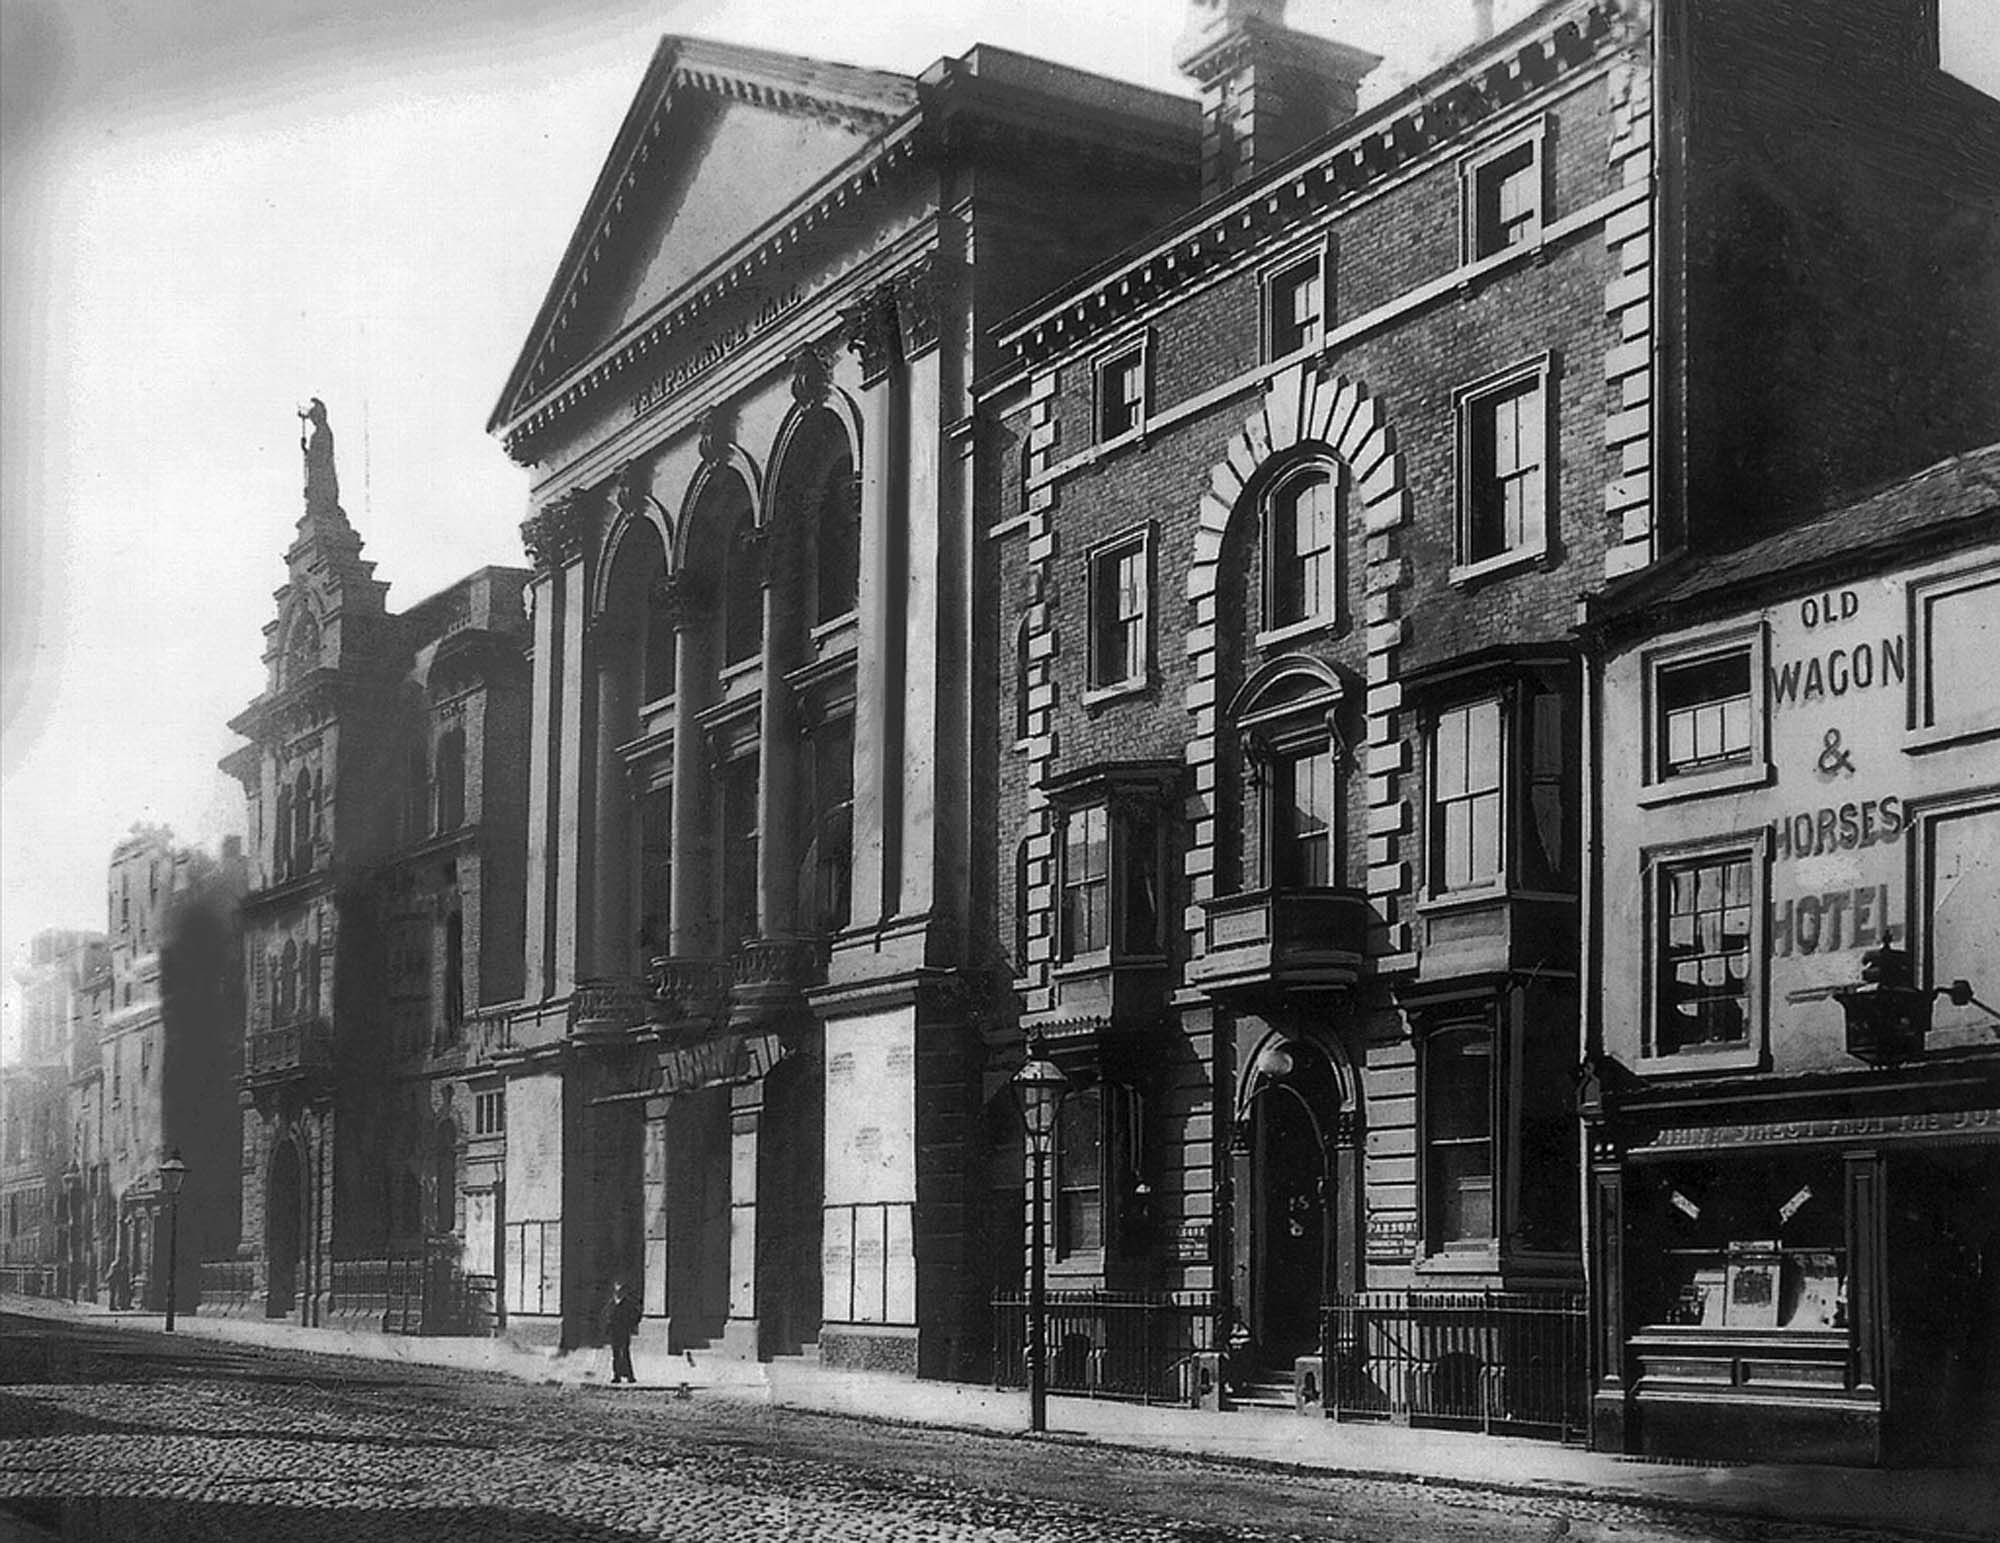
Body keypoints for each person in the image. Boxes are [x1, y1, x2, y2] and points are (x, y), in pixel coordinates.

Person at [601, 1279, 642, 1385]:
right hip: (614, 1331)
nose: (618, 1292)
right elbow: (605, 1315)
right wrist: (607, 1327)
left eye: (620, 1290)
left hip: (624, 1330)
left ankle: (630, 1376)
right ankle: (616, 1376)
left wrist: (631, 1325)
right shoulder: (611, 1303)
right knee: (615, 1354)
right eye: (616, 1290)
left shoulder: (628, 1303)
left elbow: (636, 1314)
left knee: (625, 1353)